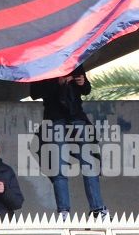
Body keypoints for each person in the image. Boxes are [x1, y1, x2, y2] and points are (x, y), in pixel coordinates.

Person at [30, 64, 109, 218]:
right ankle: (64, 211)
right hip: (55, 119)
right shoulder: (42, 63)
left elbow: (86, 90)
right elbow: (34, 93)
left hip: (76, 117)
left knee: (90, 163)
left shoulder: (73, 58)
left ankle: (97, 209)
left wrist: (82, 82)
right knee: (59, 166)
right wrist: (57, 83)